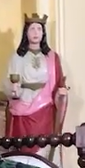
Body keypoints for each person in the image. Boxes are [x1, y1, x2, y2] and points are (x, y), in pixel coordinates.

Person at [6, 14, 68, 158]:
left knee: (43, 145)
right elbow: (10, 81)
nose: (35, 33)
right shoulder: (17, 57)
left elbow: (59, 82)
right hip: (23, 104)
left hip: (44, 107)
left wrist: (61, 93)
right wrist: (13, 90)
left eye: (39, 29)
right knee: (23, 147)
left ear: (43, 33)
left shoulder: (52, 57)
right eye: (32, 29)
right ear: (26, 32)